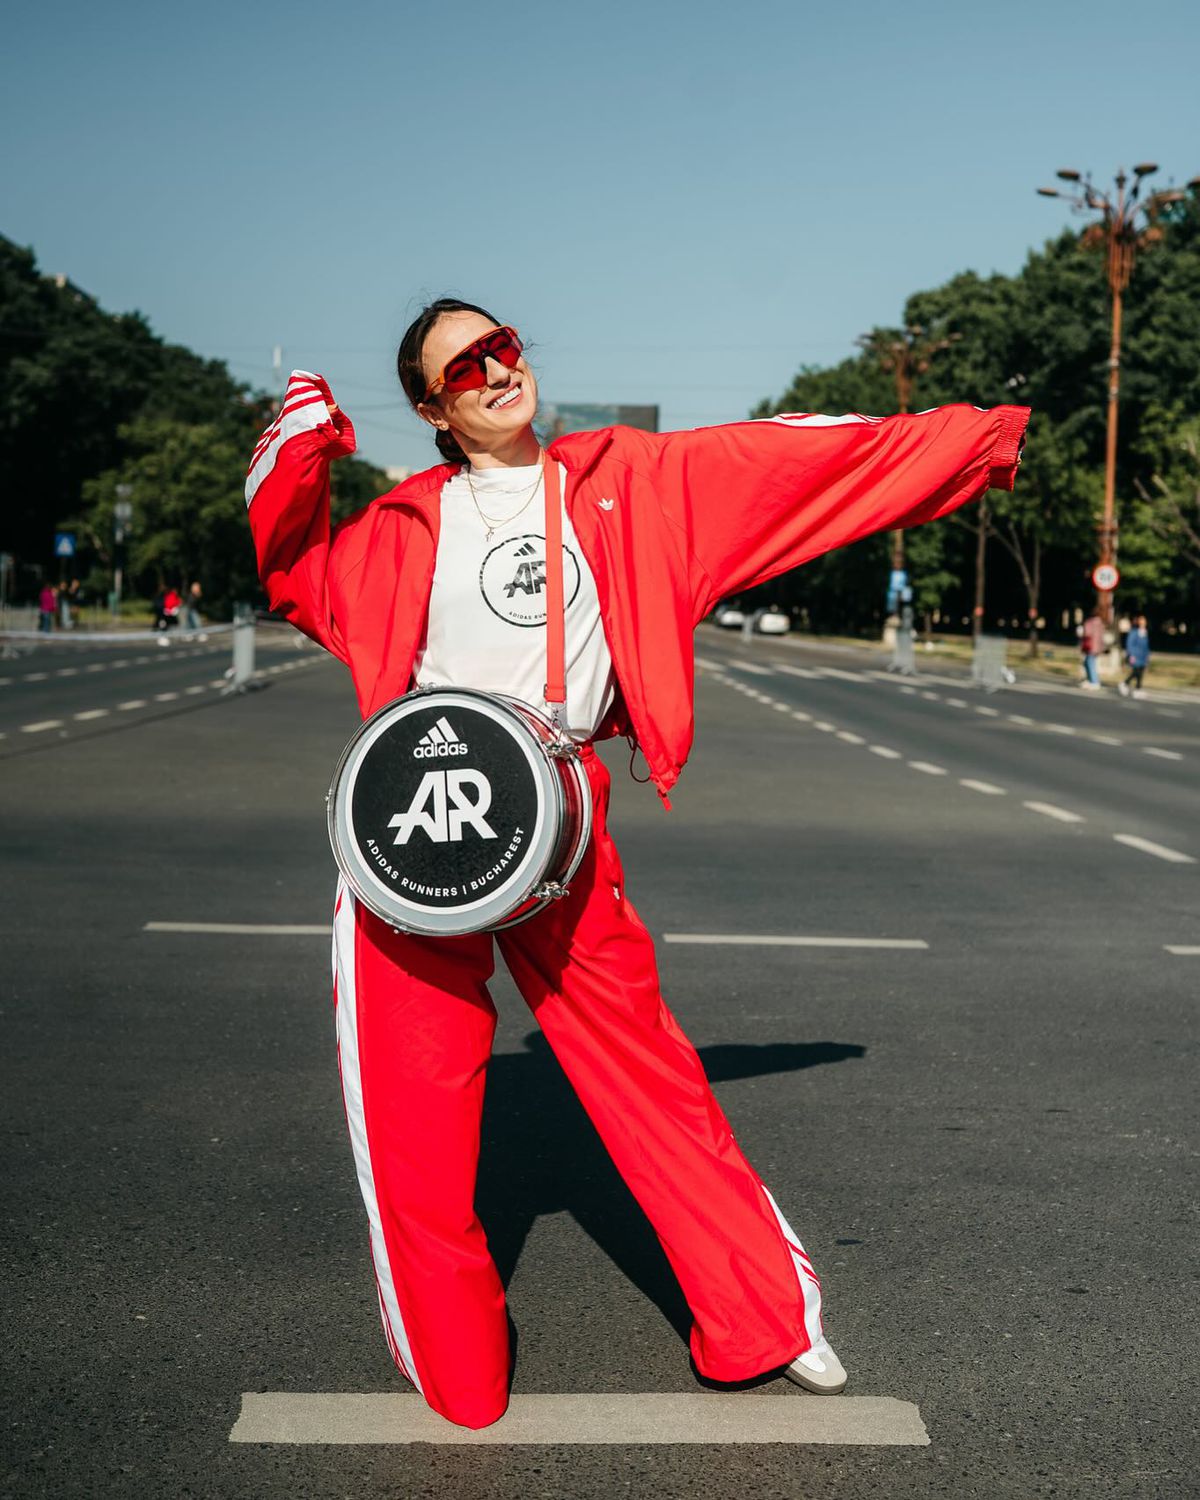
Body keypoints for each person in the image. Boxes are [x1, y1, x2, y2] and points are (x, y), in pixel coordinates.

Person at [246, 298, 1030, 1430]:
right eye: (466, 364)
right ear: (432, 406)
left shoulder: (630, 482)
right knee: (409, 1119)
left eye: (504, 344)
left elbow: (803, 462)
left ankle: (762, 1318)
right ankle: (455, 1360)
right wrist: (303, 444)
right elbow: (291, 567)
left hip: (559, 814)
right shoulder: (400, 527)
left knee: (649, 1083)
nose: (498, 369)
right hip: (416, 838)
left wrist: (980, 435)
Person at [1119, 613, 1151, 697]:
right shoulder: (1134, 632)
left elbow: (1146, 646)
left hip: (1143, 656)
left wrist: (1147, 655)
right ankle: (1126, 683)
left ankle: (1137, 688)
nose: (1143, 622)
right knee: (1136, 672)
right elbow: (1129, 644)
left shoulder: (1144, 632)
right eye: (1141, 620)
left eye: (1144, 620)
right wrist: (1131, 655)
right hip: (1135, 656)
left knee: (1141, 672)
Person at [1079, 610, 1105, 689]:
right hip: (1097, 647)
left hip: (1090, 646)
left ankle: (1094, 681)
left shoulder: (1090, 622)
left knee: (1090, 663)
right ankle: (1089, 680)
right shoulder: (1101, 623)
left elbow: (1087, 633)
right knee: (1087, 662)